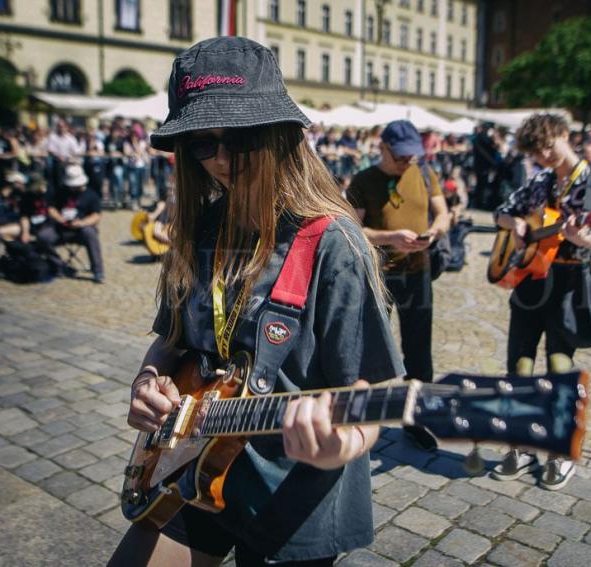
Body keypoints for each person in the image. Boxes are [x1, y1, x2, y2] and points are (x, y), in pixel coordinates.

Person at [107, 37, 403, 567]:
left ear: (278, 135)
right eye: (201, 143)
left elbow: (375, 389)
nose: (220, 160)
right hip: (188, 461)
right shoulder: (201, 228)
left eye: (238, 138)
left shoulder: (335, 242)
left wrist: (345, 443)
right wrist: (146, 381)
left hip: (289, 496)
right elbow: (170, 339)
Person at [493, 113, 591, 490]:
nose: (545, 154)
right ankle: (520, 445)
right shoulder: (541, 179)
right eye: (537, 150)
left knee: (560, 366)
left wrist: (584, 239)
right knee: (518, 364)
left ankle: (561, 452)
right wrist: (511, 224)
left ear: (565, 135)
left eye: (550, 145)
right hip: (531, 280)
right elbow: (503, 211)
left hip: (568, 283)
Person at [346, 120, 450, 451]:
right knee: (370, 346)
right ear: (384, 148)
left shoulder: (423, 173)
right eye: (401, 156)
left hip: (418, 271)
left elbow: (444, 214)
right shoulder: (364, 181)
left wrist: (434, 233)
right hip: (380, 274)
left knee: (420, 348)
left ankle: (418, 418)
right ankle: (360, 415)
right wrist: (391, 238)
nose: (407, 162)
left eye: (412, 156)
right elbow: (350, 229)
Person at [35, 164, 105, 283]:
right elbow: (51, 209)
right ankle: (59, 265)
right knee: (43, 237)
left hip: (81, 230)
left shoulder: (91, 194)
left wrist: (82, 223)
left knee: (90, 234)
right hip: (61, 228)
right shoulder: (60, 192)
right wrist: (60, 219)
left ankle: (98, 270)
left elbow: (96, 216)